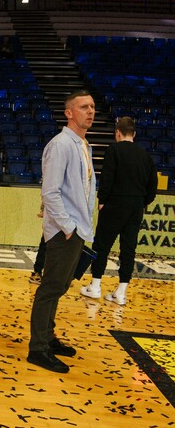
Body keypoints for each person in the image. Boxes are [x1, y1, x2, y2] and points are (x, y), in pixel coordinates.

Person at [28, 92, 96, 373]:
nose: (90, 111)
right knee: (50, 288)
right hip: (64, 231)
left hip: (76, 228)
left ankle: (48, 337)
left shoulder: (83, 145)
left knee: (59, 286)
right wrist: (68, 227)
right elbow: (50, 192)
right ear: (69, 113)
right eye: (84, 107)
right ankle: (38, 349)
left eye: (92, 107)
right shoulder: (61, 145)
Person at [81, 116, 158, 306]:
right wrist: (142, 201)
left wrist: (102, 200)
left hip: (115, 203)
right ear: (134, 134)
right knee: (129, 248)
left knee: (102, 245)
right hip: (136, 205)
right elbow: (153, 184)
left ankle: (95, 286)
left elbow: (107, 177)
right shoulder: (145, 155)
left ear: (117, 133)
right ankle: (121, 292)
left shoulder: (114, 150)